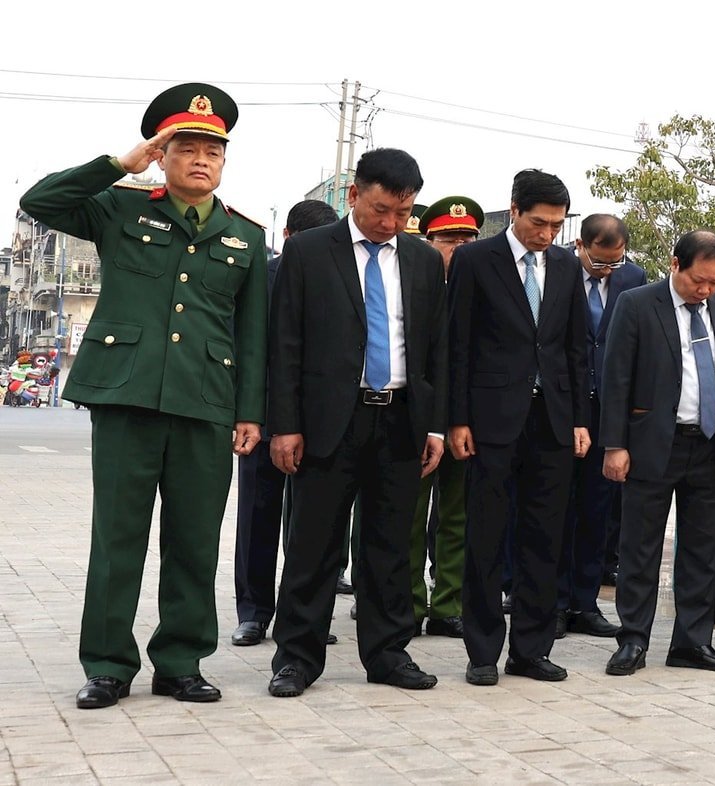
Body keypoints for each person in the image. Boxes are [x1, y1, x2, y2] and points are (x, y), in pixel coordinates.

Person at [23, 83, 267, 709]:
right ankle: (106, 664)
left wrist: (249, 412)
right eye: (186, 147)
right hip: (127, 396)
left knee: (193, 541)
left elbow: (253, 333)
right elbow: (40, 200)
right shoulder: (120, 208)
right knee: (118, 537)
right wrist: (116, 165)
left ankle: (180, 661)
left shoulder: (246, 236)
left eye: (213, 150)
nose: (201, 159)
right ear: (161, 154)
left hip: (205, 403)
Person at [264, 148, 444, 697]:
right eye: (381, 209)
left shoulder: (421, 259)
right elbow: (285, 343)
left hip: (399, 421)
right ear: (353, 196)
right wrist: (285, 424)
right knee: (314, 545)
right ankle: (297, 657)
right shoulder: (311, 253)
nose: (390, 223)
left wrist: (434, 425)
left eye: (403, 213)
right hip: (326, 423)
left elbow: (433, 349)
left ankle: (388, 652)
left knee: (390, 547)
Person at [448, 169, 592, 685]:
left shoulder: (567, 267)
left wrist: (579, 418)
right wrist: (457, 418)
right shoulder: (474, 259)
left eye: (555, 225)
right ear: (513, 211)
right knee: (485, 535)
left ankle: (531, 649)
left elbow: (576, 348)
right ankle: (483, 651)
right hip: (490, 419)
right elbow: (457, 343)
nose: (546, 234)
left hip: (551, 420)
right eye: (538, 222)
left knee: (544, 538)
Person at [598, 230, 715, 674]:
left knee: (702, 548)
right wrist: (615, 444)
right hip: (651, 441)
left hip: (709, 444)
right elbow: (616, 376)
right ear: (675, 264)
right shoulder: (638, 304)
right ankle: (633, 640)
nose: (705, 291)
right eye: (698, 280)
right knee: (640, 547)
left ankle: (692, 642)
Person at [232, 198, 337, 648]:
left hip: (321, 422)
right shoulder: (261, 277)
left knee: (313, 524)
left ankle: (305, 616)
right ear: (290, 239)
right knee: (258, 516)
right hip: (265, 419)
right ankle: (254, 612)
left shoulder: (339, 277)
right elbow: (248, 349)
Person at [557, 214, 647, 639]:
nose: (607, 270)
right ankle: (552, 602)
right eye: (599, 262)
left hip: (609, 409)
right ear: (580, 246)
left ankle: (585, 601)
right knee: (557, 508)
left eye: (615, 262)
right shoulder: (556, 271)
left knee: (598, 510)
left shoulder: (634, 279)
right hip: (564, 406)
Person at [404, 195, 485, 639]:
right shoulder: (413, 281)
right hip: (416, 419)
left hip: (465, 422)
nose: (456, 248)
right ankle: (410, 601)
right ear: (427, 240)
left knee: (457, 516)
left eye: (465, 239)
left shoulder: (482, 284)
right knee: (410, 517)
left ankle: (448, 602)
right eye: (447, 240)